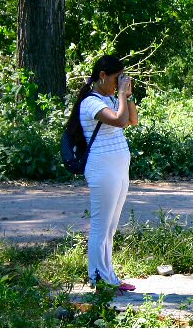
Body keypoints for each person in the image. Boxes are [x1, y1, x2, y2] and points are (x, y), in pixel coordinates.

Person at [67, 55, 138, 292]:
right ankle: (98, 278)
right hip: (101, 167)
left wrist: (127, 96)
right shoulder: (90, 102)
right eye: (118, 78)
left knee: (111, 226)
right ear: (103, 76)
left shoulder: (110, 97)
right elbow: (119, 121)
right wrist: (119, 96)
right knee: (100, 225)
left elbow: (132, 120)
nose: (121, 83)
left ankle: (110, 277)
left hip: (118, 167)